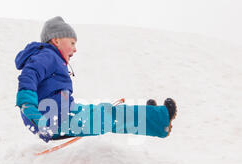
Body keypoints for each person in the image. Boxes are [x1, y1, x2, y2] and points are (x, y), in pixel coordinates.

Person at [15, 16, 177, 144]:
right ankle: (159, 118)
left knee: (106, 113)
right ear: (56, 40)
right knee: (110, 116)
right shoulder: (47, 56)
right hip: (50, 119)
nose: (75, 49)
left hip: (61, 114)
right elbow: (29, 76)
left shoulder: (51, 58)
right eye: (71, 43)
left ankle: (150, 115)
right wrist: (28, 106)